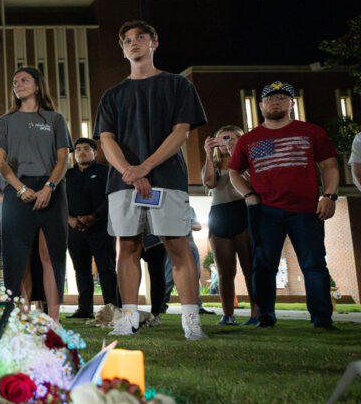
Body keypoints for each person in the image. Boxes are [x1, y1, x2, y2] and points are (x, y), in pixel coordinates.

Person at [94, 21, 208, 340]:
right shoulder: (113, 94)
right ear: (122, 48)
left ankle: (190, 320)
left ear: (154, 42)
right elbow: (106, 139)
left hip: (167, 179)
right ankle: (129, 317)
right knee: (127, 246)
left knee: (177, 246)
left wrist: (144, 167)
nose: (133, 43)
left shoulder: (177, 85)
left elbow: (181, 132)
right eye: (127, 40)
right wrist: (130, 171)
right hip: (123, 183)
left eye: (140, 37)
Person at [228, 80, 339, 330]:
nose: (275, 101)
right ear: (260, 105)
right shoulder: (249, 139)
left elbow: (329, 165)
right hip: (265, 211)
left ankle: (322, 319)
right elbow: (234, 172)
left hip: (306, 211)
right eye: (270, 98)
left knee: (313, 264)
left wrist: (329, 196)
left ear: (291, 102)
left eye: (282, 97)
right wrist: (248, 195)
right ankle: (266, 317)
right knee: (264, 265)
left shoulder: (311, 131)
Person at [0, 66, 72, 321]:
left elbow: (63, 160)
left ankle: (53, 319)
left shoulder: (55, 119)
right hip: (18, 190)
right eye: (15, 81)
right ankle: (24, 317)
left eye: (24, 80)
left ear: (38, 86)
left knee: (50, 254)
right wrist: (21, 189)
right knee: (19, 256)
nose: (17, 84)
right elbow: (1, 163)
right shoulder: (4, 122)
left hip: (51, 189)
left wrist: (49, 187)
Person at [202, 126, 259, 325]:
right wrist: (209, 154)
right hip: (220, 215)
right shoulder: (215, 164)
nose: (225, 142)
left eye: (230, 138)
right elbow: (209, 183)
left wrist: (236, 152)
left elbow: (255, 182)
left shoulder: (248, 161)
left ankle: (256, 314)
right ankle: (228, 315)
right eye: (221, 139)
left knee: (250, 267)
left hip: (243, 212)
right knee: (225, 270)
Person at [65, 137, 119, 318]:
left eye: (85, 148)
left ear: (94, 152)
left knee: (106, 269)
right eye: (77, 149)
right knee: (81, 270)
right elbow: (61, 201)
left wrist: (94, 217)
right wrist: (70, 219)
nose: (81, 152)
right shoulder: (67, 176)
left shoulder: (105, 171)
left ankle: (112, 308)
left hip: (101, 229)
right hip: (75, 230)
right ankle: (85, 309)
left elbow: (111, 197)